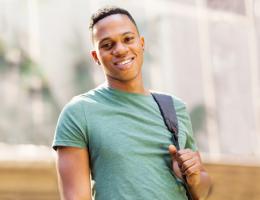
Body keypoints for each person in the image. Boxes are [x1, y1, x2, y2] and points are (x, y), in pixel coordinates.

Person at [52, 6, 211, 200]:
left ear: (141, 43)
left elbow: (202, 192)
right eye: (108, 45)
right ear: (96, 57)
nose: (120, 49)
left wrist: (193, 177)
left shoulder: (173, 108)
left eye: (128, 39)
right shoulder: (79, 112)